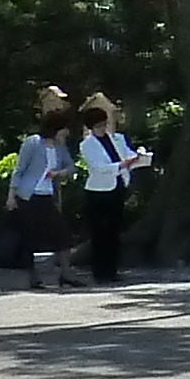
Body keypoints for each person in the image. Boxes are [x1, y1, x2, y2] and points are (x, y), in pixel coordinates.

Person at [71, 94, 150, 284]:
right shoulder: (87, 145)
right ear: (91, 127)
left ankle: (112, 269)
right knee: (100, 232)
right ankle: (100, 271)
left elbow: (128, 154)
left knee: (113, 231)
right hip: (98, 192)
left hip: (117, 187)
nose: (103, 128)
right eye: (98, 126)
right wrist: (121, 165)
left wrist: (137, 157)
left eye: (104, 124)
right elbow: (98, 168)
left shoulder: (117, 138)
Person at [4, 104, 76, 292]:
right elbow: (19, 170)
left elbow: (71, 167)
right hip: (28, 195)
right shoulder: (33, 143)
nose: (67, 132)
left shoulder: (60, 147)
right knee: (28, 237)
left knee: (62, 234)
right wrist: (11, 196)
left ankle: (66, 274)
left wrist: (58, 173)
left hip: (47, 196)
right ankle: (33, 277)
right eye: (65, 128)